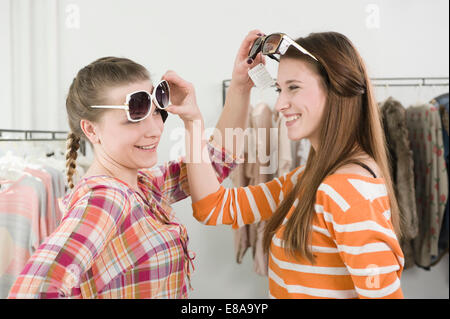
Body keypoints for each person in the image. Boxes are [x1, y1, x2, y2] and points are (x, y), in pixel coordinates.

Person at [7, 37, 260, 298]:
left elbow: (215, 162)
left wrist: (235, 90)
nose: (154, 130)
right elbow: (32, 292)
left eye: (156, 110)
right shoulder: (105, 200)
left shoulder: (145, 185)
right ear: (91, 130)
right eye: (134, 116)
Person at [177, 31, 405, 299]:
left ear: (338, 87)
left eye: (293, 87)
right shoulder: (307, 180)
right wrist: (201, 116)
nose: (280, 104)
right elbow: (213, 207)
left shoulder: (346, 190)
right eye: (279, 89)